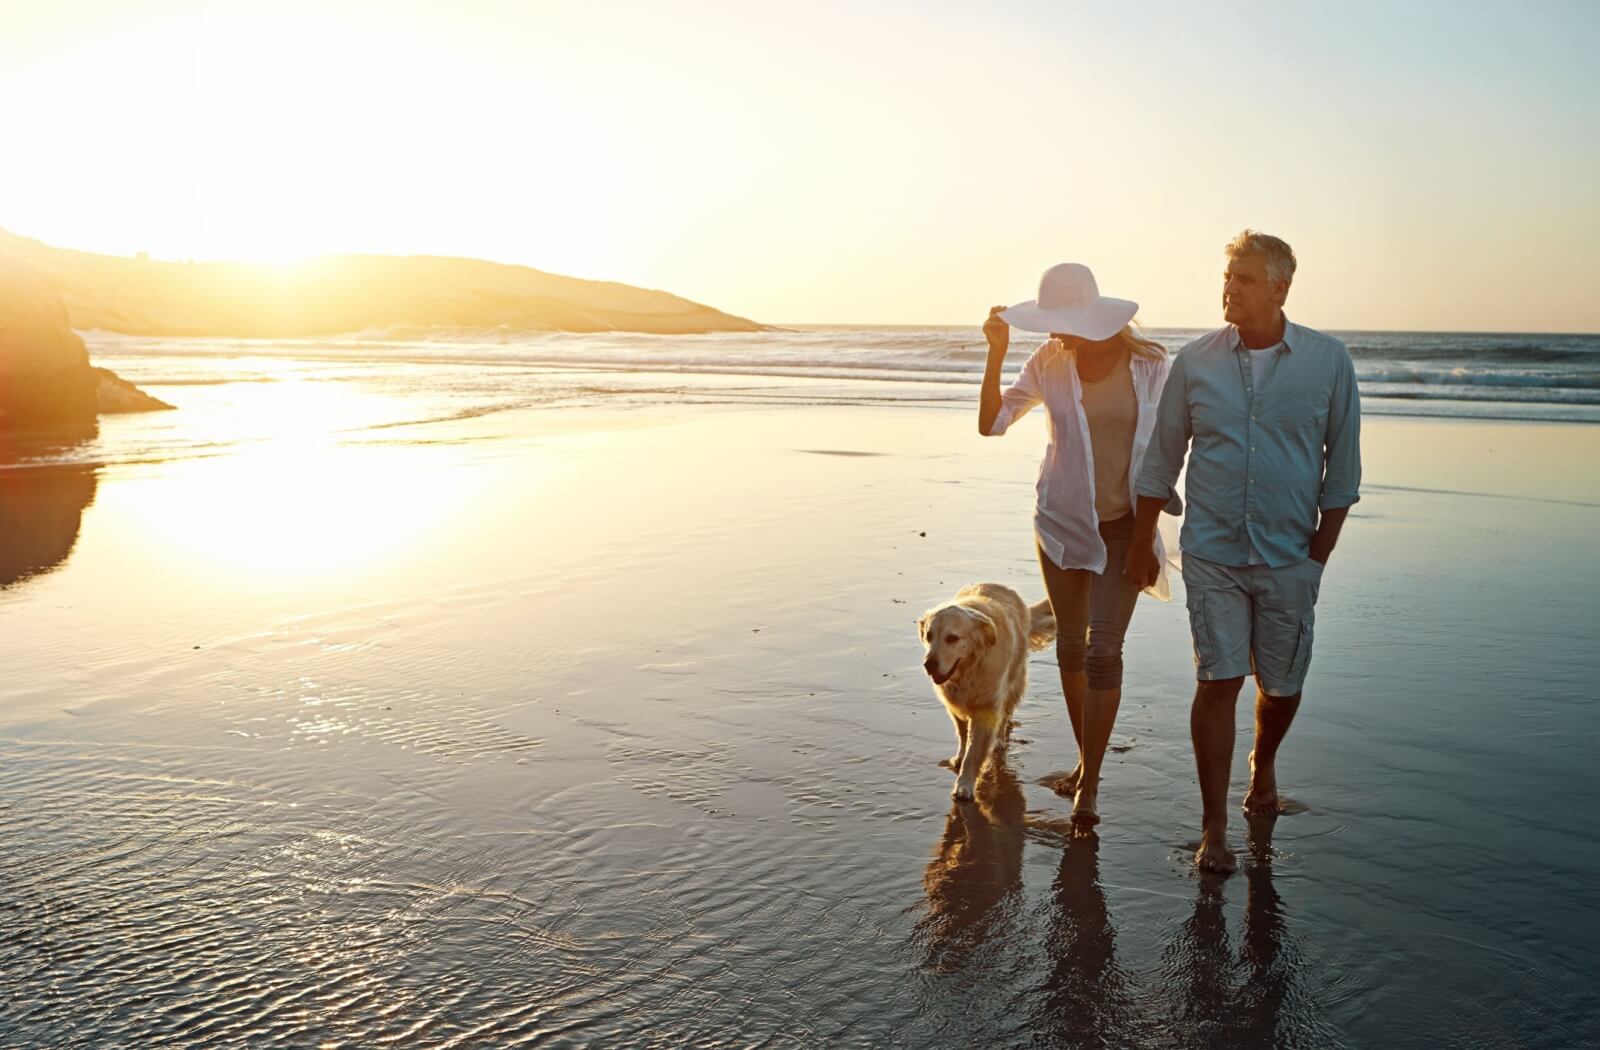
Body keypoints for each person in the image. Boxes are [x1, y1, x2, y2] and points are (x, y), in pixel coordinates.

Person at [1127, 230, 1362, 873]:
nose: (1229, 288)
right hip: (1212, 552)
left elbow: (1341, 476)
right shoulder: (1195, 362)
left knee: (1281, 687)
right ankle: (1213, 828)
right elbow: (1161, 460)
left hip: (1291, 556)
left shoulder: (1329, 362)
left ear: (1281, 288)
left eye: (1245, 279)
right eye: (1227, 276)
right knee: (1218, 678)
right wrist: (1141, 540)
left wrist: (1316, 562)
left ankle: (1264, 766)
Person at [978, 262, 1173, 832]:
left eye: (1061, 321)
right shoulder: (1049, 363)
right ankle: (1087, 762)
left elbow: (1167, 452)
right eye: (1050, 323)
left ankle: (1088, 784)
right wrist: (997, 351)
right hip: (1062, 522)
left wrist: (1145, 539)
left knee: (1102, 651)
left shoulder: (1152, 368)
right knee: (1069, 646)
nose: (1054, 333)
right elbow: (993, 423)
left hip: (1127, 529)